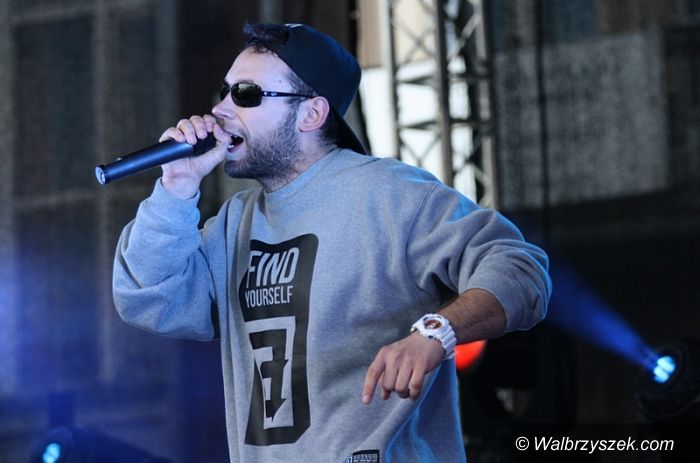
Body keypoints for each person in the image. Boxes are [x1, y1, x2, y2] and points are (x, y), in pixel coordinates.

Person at [112, 22, 551, 463]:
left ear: (312, 114)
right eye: (225, 91)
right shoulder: (235, 223)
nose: (220, 109)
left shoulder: (391, 195)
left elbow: (520, 269)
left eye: (246, 94)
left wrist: (438, 331)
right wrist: (177, 187)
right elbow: (149, 298)